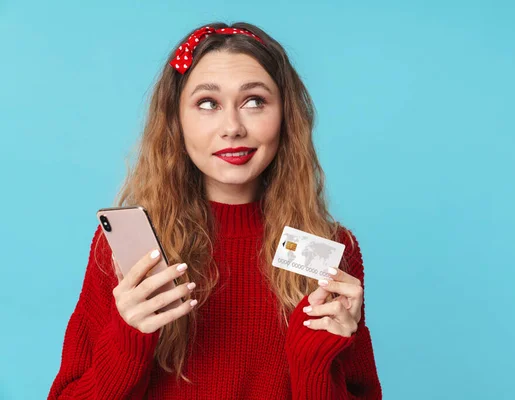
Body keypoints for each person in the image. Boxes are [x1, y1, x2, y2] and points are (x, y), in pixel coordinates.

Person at [48, 22, 382, 399]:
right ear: (176, 120)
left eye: (254, 101)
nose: (232, 127)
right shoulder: (130, 249)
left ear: (287, 116)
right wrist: (130, 339)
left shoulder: (329, 249)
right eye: (208, 104)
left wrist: (314, 362)